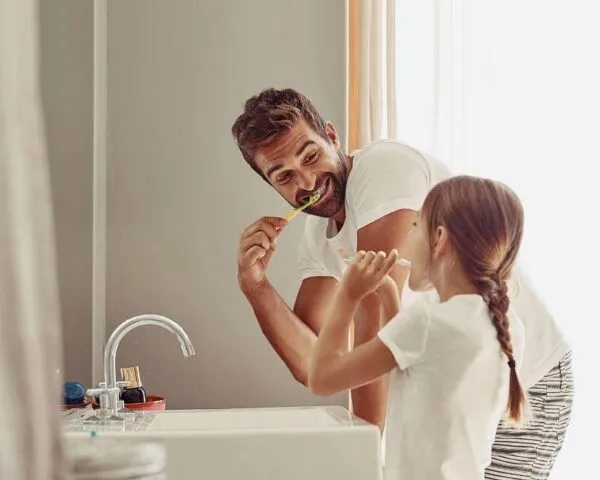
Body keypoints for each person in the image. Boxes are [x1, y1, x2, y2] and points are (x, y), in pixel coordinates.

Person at [233, 88, 573, 479]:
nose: (307, 181)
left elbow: (368, 329)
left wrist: (366, 458)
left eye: (310, 155)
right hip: (454, 396)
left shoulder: (383, 169)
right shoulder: (317, 236)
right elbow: (317, 364)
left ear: (332, 135)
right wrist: (255, 286)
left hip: (526, 380)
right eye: (285, 176)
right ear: (270, 184)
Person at [308, 175, 526, 480]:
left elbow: (322, 378)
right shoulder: (504, 324)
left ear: (439, 239)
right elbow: (414, 368)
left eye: (414, 225)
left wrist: (348, 294)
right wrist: (386, 293)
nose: (408, 238)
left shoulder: (427, 321)